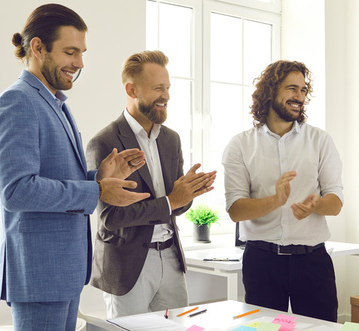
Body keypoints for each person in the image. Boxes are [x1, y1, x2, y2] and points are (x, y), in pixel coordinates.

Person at [0, 4, 150, 330]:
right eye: (70, 52)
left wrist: (99, 177)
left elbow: (55, 179)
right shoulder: (17, 101)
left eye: (81, 53)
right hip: (40, 276)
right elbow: (17, 191)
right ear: (37, 47)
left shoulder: (56, 102)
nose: (79, 63)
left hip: (64, 274)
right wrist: (96, 190)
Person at [85, 50, 217, 318]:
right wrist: (172, 201)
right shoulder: (104, 143)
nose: (166, 95)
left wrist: (188, 193)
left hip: (171, 259)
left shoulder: (171, 140)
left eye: (167, 88)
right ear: (131, 89)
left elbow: (176, 206)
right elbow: (110, 217)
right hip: (127, 267)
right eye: (158, 88)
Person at [222, 60, 344, 322]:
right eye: (292, 89)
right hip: (262, 263)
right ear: (270, 92)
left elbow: (335, 202)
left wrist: (317, 205)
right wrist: (276, 200)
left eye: (302, 90)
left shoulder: (319, 140)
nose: (299, 96)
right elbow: (235, 210)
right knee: (265, 330)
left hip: (312, 262)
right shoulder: (240, 145)